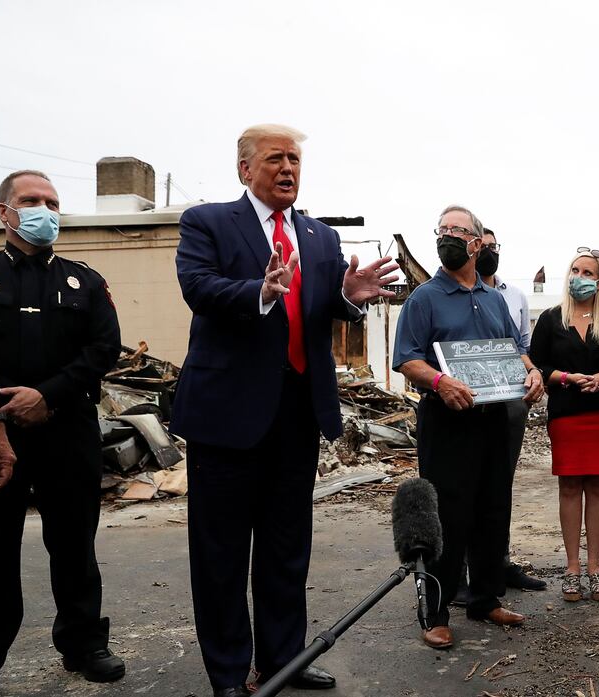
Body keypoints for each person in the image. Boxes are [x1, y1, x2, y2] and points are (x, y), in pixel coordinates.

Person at [170, 124, 399, 697]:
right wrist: (261, 291)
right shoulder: (208, 222)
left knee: (286, 549)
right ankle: (228, 673)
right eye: (275, 158)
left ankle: (283, 662)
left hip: (297, 414)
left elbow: (323, 307)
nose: (288, 169)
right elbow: (198, 287)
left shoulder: (320, 236)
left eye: (294, 159)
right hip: (226, 415)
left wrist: (348, 297)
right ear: (245, 169)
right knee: (221, 554)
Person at [0, 170, 124, 689]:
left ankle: (84, 644)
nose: (44, 211)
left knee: (74, 545)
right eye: (31, 201)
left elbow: (104, 349)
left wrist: (46, 395)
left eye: (51, 202)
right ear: (5, 212)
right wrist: (1, 413)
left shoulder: (83, 280)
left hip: (67, 431)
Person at [392, 205, 544, 650]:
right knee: (447, 516)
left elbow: (514, 349)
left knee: (493, 508)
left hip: (493, 418)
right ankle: (436, 613)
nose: (447, 236)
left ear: (477, 243)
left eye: (457, 230)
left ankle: (485, 598)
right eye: (441, 229)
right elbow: (406, 359)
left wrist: (532, 371)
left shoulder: (494, 298)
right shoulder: (423, 298)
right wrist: (440, 382)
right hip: (447, 420)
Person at [452, 228, 546, 604]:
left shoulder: (514, 296)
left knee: (499, 484)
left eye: (495, 247)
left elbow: (521, 346)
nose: (490, 252)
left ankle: (497, 563)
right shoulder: (452, 294)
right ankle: (457, 573)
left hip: (509, 404)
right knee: (464, 486)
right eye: (485, 246)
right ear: (472, 249)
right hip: (469, 402)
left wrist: (532, 374)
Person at [530, 247, 599, 602]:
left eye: (588, 273)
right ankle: (573, 568)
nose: (579, 277)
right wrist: (564, 377)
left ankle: (595, 567)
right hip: (565, 415)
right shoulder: (551, 319)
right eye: (576, 270)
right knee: (569, 487)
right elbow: (535, 365)